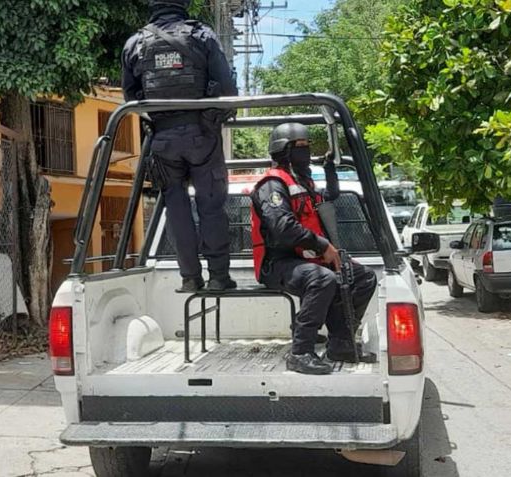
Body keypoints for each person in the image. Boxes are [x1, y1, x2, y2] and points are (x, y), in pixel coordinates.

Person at [122, 0, 239, 292]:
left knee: (175, 208)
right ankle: (219, 278)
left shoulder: (135, 43)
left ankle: (189, 278)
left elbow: (130, 96)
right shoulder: (201, 35)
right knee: (210, 206)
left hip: (162, 139)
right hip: (202, 135)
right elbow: (227, 89)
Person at [250, 123, 378, 375]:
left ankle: (341, 342)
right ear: (283, 150)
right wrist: (323, 246)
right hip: (277, 262)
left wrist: (330, 167)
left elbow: (330, 195)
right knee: (323, 279)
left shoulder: (304, 181)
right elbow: (282, 227)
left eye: (307, 147)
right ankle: (300, 352)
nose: (306, 152)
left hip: (307, 258)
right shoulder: (272, 184)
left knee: (363, 278)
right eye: (300, 147)